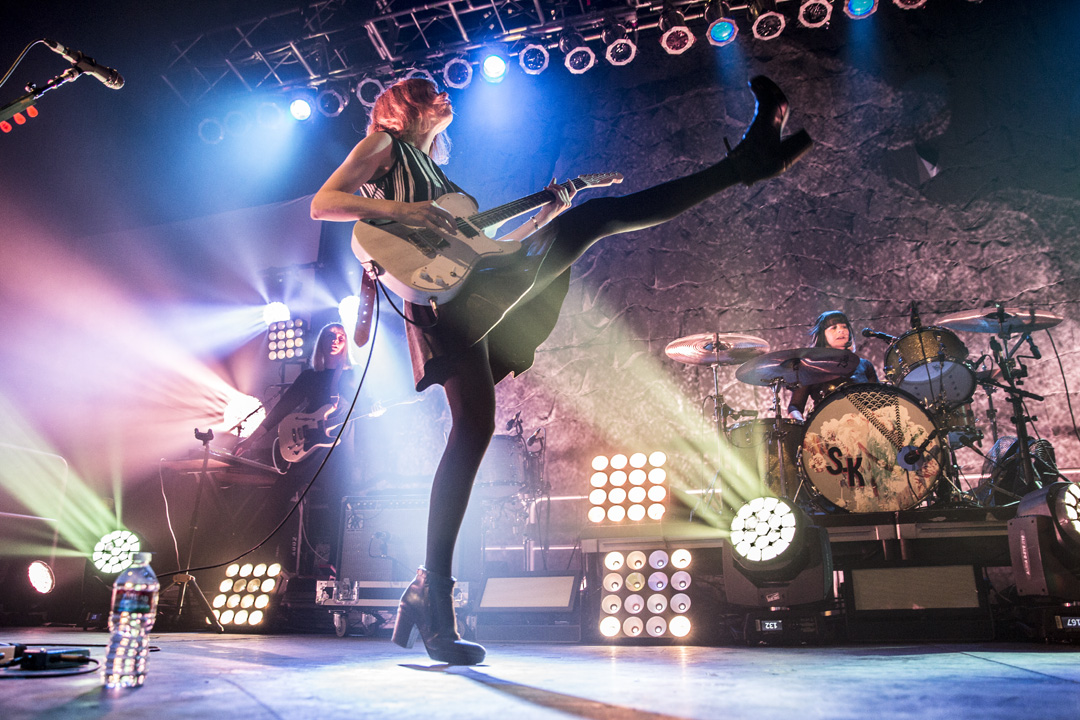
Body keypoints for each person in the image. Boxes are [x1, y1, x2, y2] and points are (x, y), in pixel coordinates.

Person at [310, 76, 812, 665]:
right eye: (429, 88)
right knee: (593, 224)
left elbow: (485, 249)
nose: (444, 94)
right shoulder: (385, 146)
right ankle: (747, 163)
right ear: (404, 107)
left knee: (472, 431)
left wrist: (543, 217)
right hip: (434, 304)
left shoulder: (441, 177)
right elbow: (325, 203)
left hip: (467, 288)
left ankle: (429, 592)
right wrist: (404, 209)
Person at [787, 310, 878, 423]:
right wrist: (799, 421)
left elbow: (878, 400)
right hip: (827, 429)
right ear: (822, 335)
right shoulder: (810, 367)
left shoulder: (865, 365)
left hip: (864, 428)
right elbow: (795, 406)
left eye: (844, 327)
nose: (841, 330)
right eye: (833, 327)